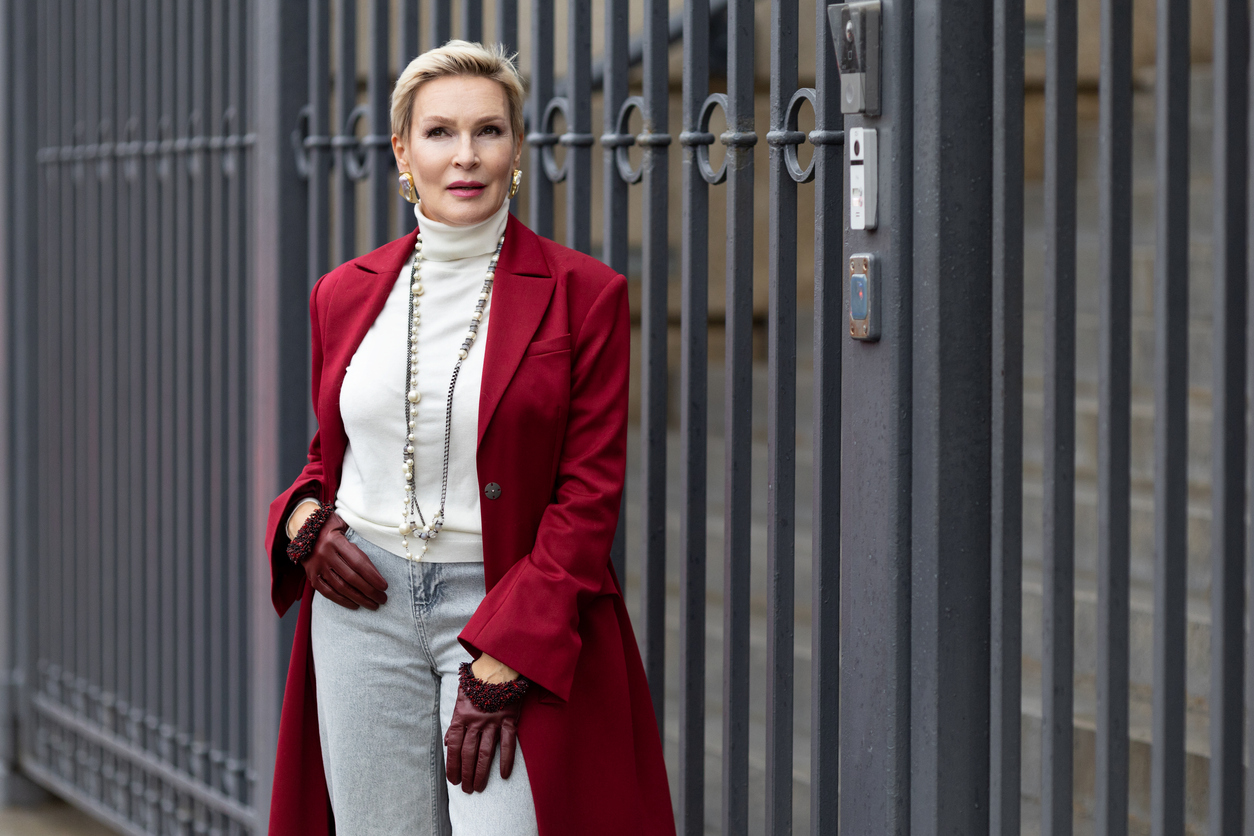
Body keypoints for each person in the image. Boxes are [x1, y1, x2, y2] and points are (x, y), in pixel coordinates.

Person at [262, 40, 676, 836]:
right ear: (403, 151)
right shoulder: (342, 294)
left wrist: (507, 655)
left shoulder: (583, 295)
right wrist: (300, 519)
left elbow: (587, 499)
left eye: (488, 131)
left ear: (517, 148)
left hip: (503, 612)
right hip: (360, 608)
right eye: (440, 132)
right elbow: (330, 456)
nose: (466, 155)